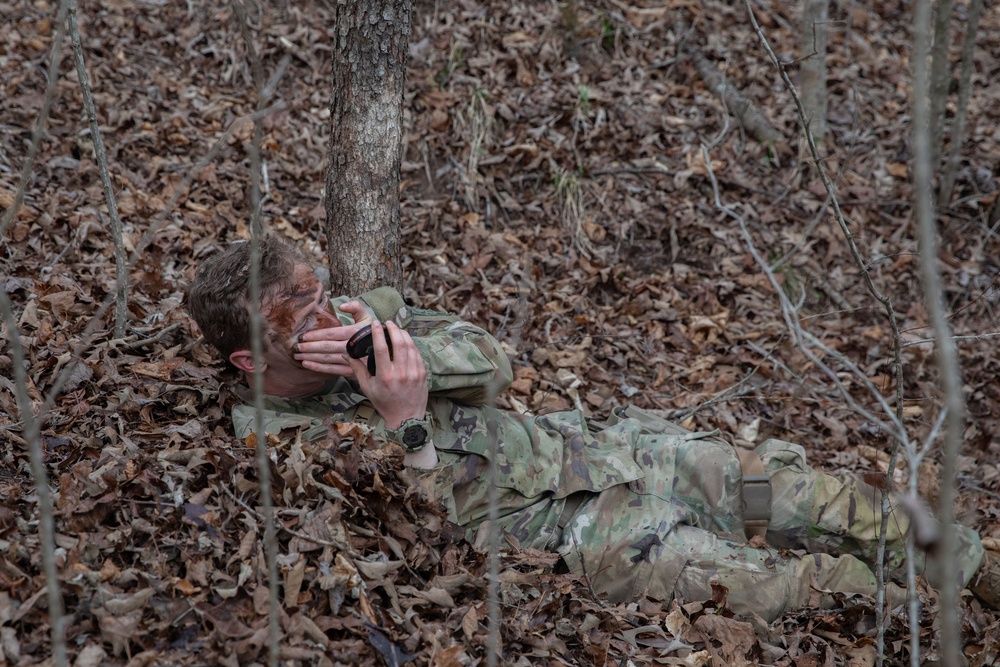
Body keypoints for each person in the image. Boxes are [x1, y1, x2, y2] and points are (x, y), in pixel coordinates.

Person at [186, 234, 999, 622]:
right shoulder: (276, 440)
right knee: (786, 588)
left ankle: (975, 567)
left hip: (609, 447)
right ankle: (941, 628)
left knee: (815, 498)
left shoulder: (373, 319)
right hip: (574, 534)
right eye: (301, 319)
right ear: (252, 362)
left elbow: (495, 362)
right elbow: (424, 538)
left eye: (320, 290)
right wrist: (406, 425)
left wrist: (411, 351)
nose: (327, 317)